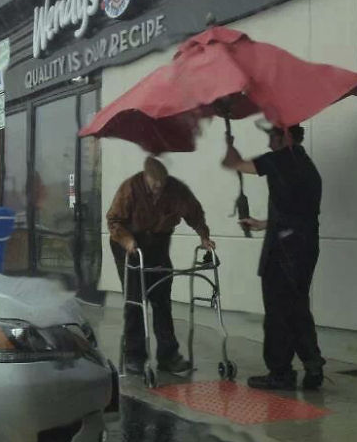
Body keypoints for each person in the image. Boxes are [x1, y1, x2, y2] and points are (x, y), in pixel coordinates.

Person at [222, 123, 325, 390]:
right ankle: (313, 365)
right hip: (305, 246)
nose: (268, 142)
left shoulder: (280, 159)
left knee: (279, 311)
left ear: (285, 137)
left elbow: (234, 163)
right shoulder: (307, 166)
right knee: (297, 306)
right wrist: (263, 223)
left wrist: (229, 143)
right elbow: (299, 213)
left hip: (283, 250)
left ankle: (280, 373)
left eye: (272, 136)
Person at [107, 156, 215, 374]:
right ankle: (134, 355)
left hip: (158, 243)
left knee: (162, 298)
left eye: (162, 183)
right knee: (135, 299)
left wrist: (204, 236)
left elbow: (194, 212)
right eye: (154, 183)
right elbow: (114, 220)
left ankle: (168, 355)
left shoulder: (176, 189)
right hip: (129, 243)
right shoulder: (130, 188)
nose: (158, 188)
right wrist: (127, 240)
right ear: (145, 176)